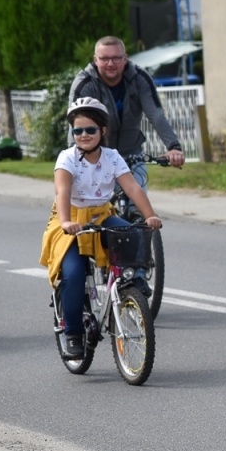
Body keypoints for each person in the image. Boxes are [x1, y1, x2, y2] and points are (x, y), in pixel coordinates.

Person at [39, 99, 161, 360]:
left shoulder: (112, 157)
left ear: (103, 131)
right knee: (72, 273)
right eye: (77, 131)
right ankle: (72, 333)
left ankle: (134, 281)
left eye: (90, 130)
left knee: (132, 233)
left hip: (101, 215)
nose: (83, 135)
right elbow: (62, 190)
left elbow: (132, 188)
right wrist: (65, 222)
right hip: (70, 219)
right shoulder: (67, 158)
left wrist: (150, 215)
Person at [69, 36, 186, 188]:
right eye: (104, 59)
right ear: (95, 60)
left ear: (125, 59)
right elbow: (74, 124)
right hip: (96, 156)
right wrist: (73, 160)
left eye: (116, 58)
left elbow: (156, 114)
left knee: (138, 206)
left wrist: (174, 148)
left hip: (132, 156)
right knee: (95, 208)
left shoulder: (140, 78)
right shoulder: (85, 84)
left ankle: (135, 213)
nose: (110, 64)